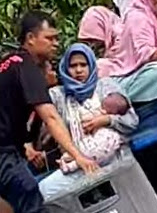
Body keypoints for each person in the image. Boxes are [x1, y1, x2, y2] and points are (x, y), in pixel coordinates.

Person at [0, 11, 98, 213]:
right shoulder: (26, 67)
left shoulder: (7, 64)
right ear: (30, 39)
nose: (56, 44)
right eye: (50, 38)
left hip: (7, 148)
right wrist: (78, 154)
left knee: (7, 193)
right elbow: (50, 115)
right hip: (2, 149)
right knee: (31, 200)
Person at [39, 43, 138, 199]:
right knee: (45, 190)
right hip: (81, 164)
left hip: (115, 158)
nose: (78, 70)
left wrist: (105, 120)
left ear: (91, 65)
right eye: (73, 66)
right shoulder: (59, 96)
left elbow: (132, 121)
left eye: (83, 65)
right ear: (65, 68)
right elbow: (43, 117)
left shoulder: (106, 85)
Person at [78, 5, 157, 105]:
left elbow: (139, 58)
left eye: (92, 39)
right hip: (116, 82)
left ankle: (121, 100)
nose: (92, 44)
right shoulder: (103, 48)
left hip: (134, 76)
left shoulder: (126, 33)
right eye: (88, 41)